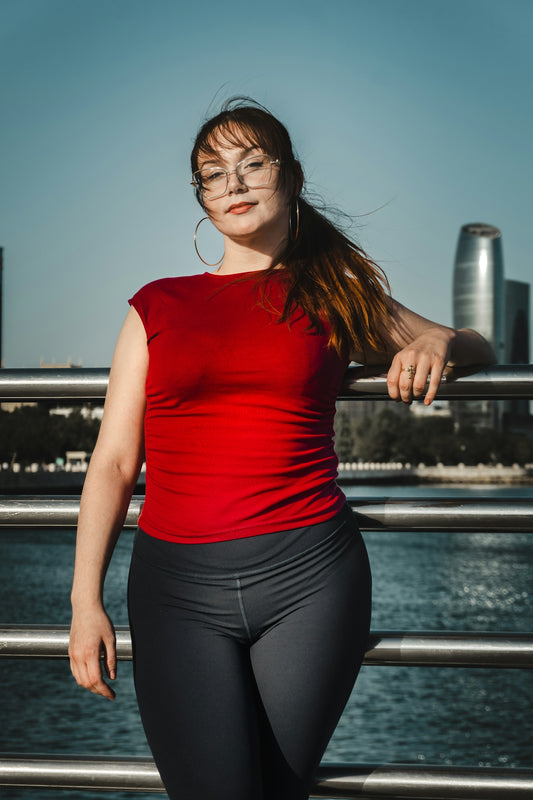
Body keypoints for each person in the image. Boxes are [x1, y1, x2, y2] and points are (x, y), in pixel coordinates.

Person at [69, 98, 495, 800]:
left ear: (290, 178)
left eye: (250, 165)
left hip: (310, 583)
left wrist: (435, 340)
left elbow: (476, 345)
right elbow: (114, 462)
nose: (232, 185)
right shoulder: (156, 306)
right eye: (212, 174)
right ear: (200, 197)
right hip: (175, 592)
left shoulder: (334, 294)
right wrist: (86, 603)